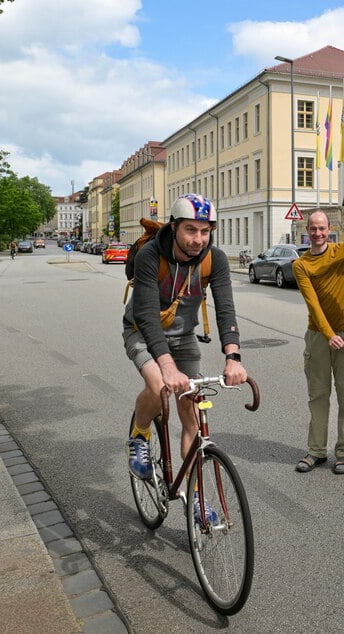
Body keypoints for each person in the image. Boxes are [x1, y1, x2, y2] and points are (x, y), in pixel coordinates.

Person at [123, 193, 247, 524]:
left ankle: (194, 497)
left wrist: (232, 356)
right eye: (191, 230)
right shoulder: (151, 255)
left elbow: (225, 307)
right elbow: (147, 314)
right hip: (141, 331)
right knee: (159, 385)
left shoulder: (214, 259)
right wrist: (166, 366)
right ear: (175, 227)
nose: (198, 239)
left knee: (191, 413)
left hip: (184, 337)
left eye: (205, 232)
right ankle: (139, 433)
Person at [292, 209, 344, 475]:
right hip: (318, 337)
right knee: (319, 395)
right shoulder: (300, 265)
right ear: (307, 230)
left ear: (330, 229)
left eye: (322, 228)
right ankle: (316, 451)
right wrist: (328, 334)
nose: (318, 233)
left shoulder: (341, 251)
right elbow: (312, 304)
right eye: (313, 229)